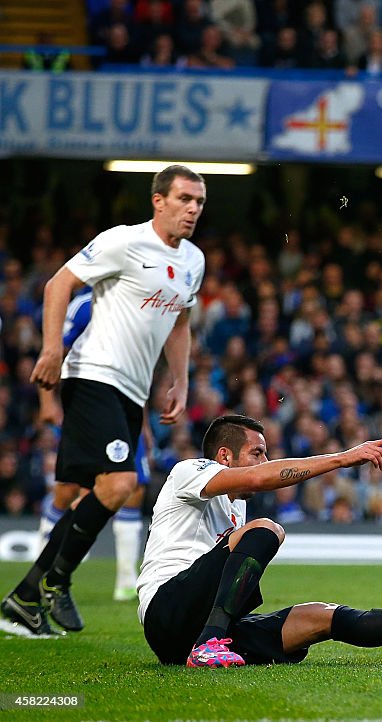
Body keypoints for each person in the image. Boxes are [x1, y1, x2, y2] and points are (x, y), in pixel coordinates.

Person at [2, 164, 207, 637]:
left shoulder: (193, 260)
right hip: (93, 374)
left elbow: (179, 323)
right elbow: (59, 284)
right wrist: (52, 349)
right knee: (119, 484)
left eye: (198, 201)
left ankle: (27, 598)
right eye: (183, 199)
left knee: (93, 493)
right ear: (158, 201)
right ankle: (56, 582)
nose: (192, 208)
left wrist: (180, 379)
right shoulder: (124, 241)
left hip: (132, 390)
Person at [139, 415, 382, 667]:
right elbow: (255, 479)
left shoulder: (236, 511)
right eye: (257, 453)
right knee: (268, 529)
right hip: (166, 613)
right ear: (224, 456)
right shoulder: (188, 472)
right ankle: (210, 643)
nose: (265, 460)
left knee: (321, 616)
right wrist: (342, 458)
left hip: (191, 635)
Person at [36, 286, 151, 602]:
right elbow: (53, 351)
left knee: (132, 488)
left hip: (126, 409)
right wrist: (48, 402)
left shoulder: (142, 306)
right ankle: (42, 569)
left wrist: (145, 427)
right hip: (88, 407)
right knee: (70, 490)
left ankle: (126, 581)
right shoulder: (86, 305)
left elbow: (137, 372)